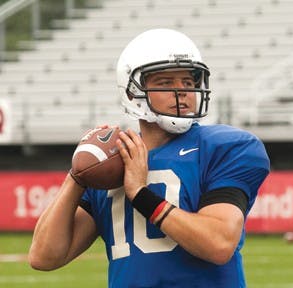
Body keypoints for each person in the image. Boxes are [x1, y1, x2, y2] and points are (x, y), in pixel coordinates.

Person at [28, 28, 270, 287]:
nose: (183, 92)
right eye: (167, 83)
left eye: (189, 82)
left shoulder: (224, 147)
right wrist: (78, 175)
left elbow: (219, 243)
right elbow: (44, 256)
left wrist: (142, 195)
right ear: (132, 92)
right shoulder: (113, 162)